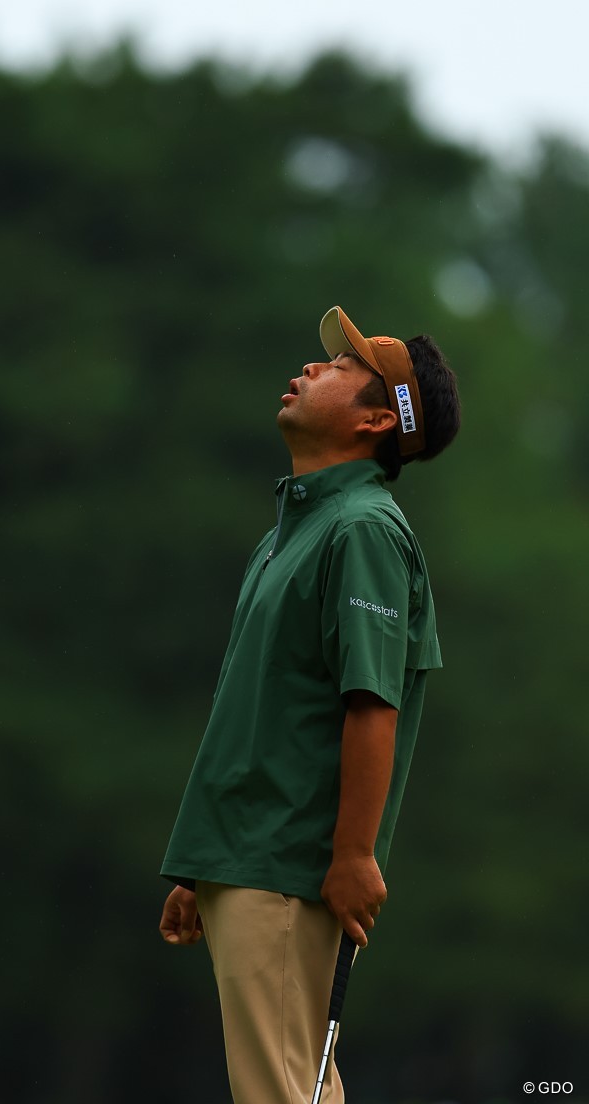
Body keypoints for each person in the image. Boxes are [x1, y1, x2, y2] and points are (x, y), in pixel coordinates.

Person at [158, 306, 461, 1104]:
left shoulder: (362, 529)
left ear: (374, 418)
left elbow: (372, 704)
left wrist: (354, 856)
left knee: (278, 1093)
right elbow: (256, 711)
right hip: (249, 857)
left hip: (292, 867)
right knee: (303, 1090)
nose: (311, 368)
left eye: (340, 368)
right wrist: (205, 862)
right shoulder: (294, 529)